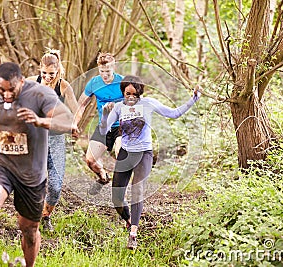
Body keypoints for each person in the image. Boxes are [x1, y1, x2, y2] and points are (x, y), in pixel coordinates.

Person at [0, 62, 76, 267]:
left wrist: (41, 121)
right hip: (2, 164)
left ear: (22, 82)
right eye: (1, 90)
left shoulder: (40, 94)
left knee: (29, 230)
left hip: (32, 172)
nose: (6, 95)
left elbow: (69, 122)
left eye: (11, 90)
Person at [99, 75, 201, 250]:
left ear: (140, 93)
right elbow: (103, 129)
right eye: (126, 93)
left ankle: (133, 234)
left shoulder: (149, 103)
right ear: (123, 93)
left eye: (134, 94)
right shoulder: (118, 107)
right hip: (125, 153)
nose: (130, 97)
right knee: (117, 198)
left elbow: (174, 113)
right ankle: (129, 220)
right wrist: (105, 114)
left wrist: (194, 98)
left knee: (137, 190)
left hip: (144, 154)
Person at [27, 49, 78, 231]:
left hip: (56, 139)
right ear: (40, 69)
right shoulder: (32, 82)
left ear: (58, 71)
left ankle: (46, 215)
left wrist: (73, 125)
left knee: (55, 186)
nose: (47, 77)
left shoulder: (63, 87)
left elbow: (76, 110)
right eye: (44, 73)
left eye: (51, 74)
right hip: (36, 138)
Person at [74, 52, 124, 195]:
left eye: (108, 71)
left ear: (113, 67)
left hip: (121, 126)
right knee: (90, 160)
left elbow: (138, 101)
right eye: (102, 71)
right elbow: (81, 105)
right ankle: (103, 177)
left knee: (120, 151)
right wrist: (75, 123)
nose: (105, 74)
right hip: (104, 126)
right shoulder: (94, 83)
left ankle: (120, 188)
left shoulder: (122, 82)